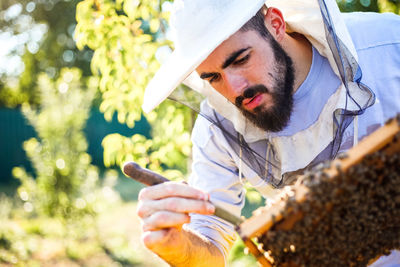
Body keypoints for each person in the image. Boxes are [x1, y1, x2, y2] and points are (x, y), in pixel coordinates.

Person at [136, 0, 400, 266]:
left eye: (241, 59)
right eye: (213, 77)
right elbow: (210, 247)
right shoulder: (217, 130)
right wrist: (178, 247)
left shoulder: (388, 44)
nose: (235, 89)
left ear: (276, 24)